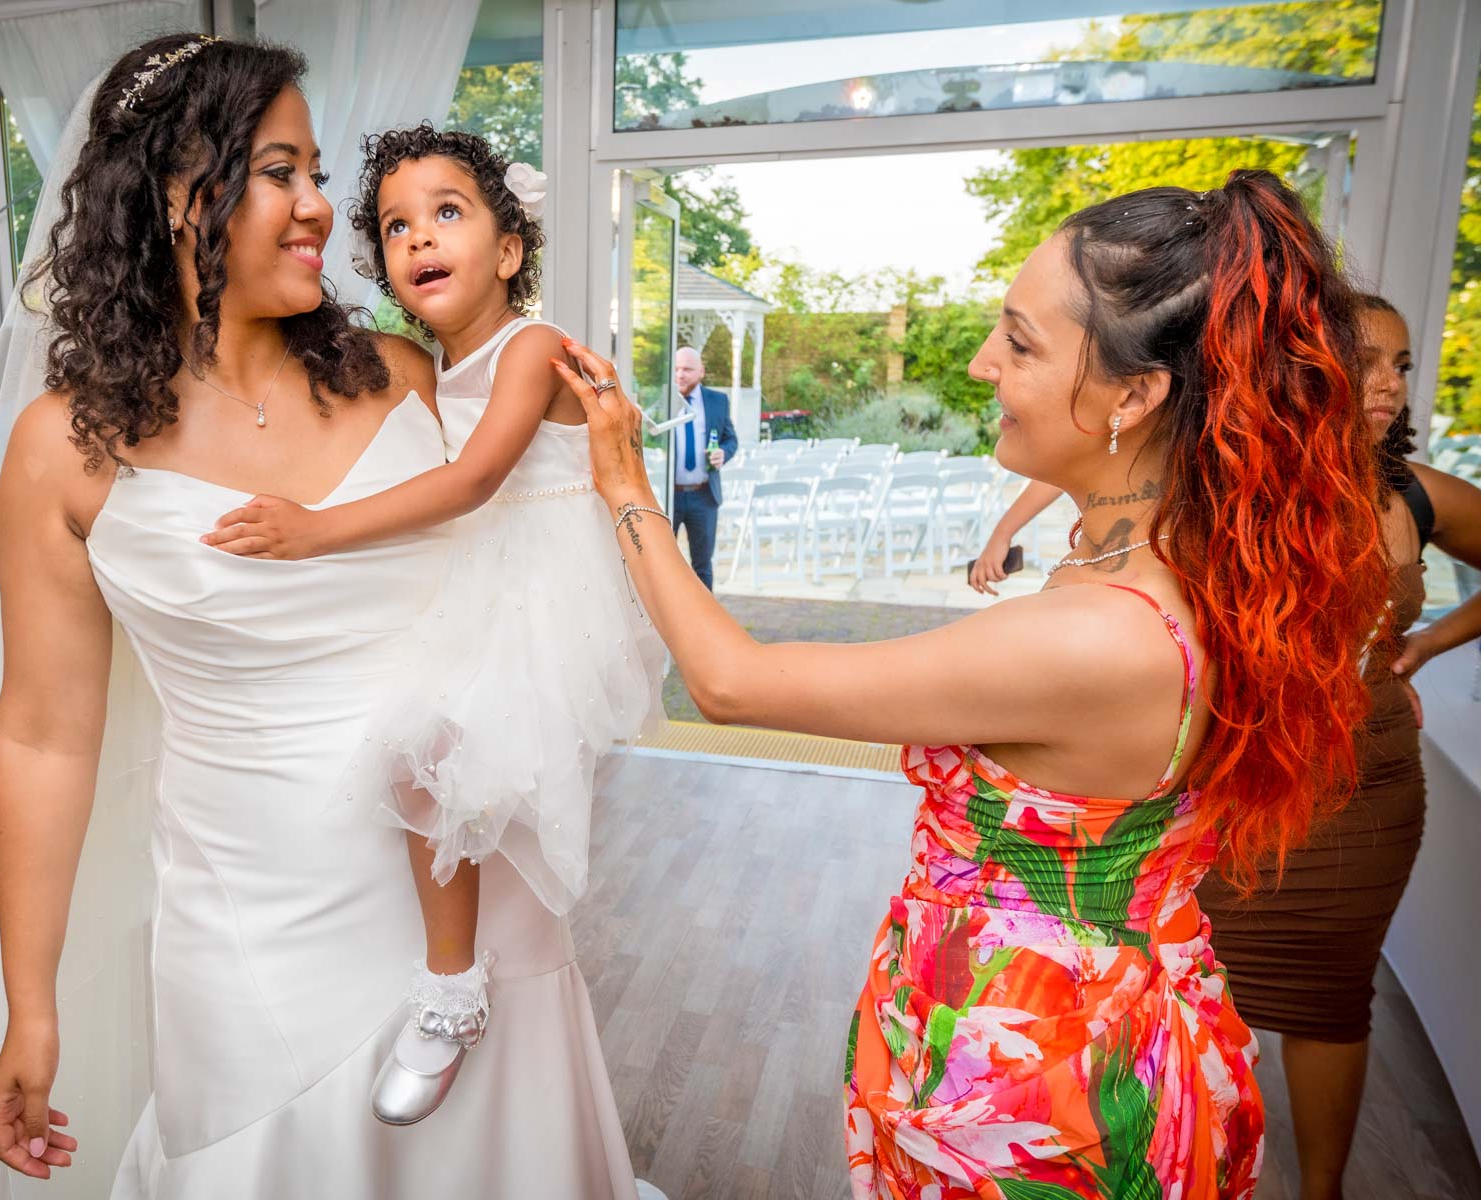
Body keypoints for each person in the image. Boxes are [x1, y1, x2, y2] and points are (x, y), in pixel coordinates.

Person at [551, 170, 1390, 1198]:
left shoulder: (1098, 638)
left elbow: (730, 681)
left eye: (1022, 342)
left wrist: (624, 484)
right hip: (1112, 1020)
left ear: (1135, 395)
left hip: (1037, 1080)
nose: (984, 362)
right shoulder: (1211, 570)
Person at [0, 36, 638, 1198]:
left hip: (470, 878)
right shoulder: (62, 450)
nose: (323, 209)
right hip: (254, 917)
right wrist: (31, 1011)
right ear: (177, 194)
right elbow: (42, 735)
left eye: (318, 173)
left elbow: (532, 534)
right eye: (281, 171)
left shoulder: (405, 373)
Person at [197, 123, 663, 1125]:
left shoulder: (532, 346)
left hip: (539, 592)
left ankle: (452, 994)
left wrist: (316, 532)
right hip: (474, 581)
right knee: (429, 772)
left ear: (507, 249)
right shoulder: (421, 362)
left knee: (430, 758)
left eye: (447, 213)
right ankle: (451, 972)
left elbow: (476, 478)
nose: (419, 239)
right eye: (396, 226)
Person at [1193, 293, 1481, 1200]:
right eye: (1367, 362)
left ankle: (1322, 1193)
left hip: (1366, 790)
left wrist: (1427, 643)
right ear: (1301, 369)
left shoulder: (1410, 493)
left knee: (1328, 998)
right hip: (1228, 784)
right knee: (1190, 988)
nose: (1390, 384)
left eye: (1400, 364)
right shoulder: (1220, 482)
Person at [669, 345, 737, 588]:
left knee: (702, 565)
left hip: (704, 495)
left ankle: (706, 622)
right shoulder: (663, 400)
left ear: (701, 372)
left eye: (687, 369)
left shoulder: (717, 401)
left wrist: (723, 453)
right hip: (668, 496)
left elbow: (730, 439)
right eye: (676, 369)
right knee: (665, 564)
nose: (680, 375)